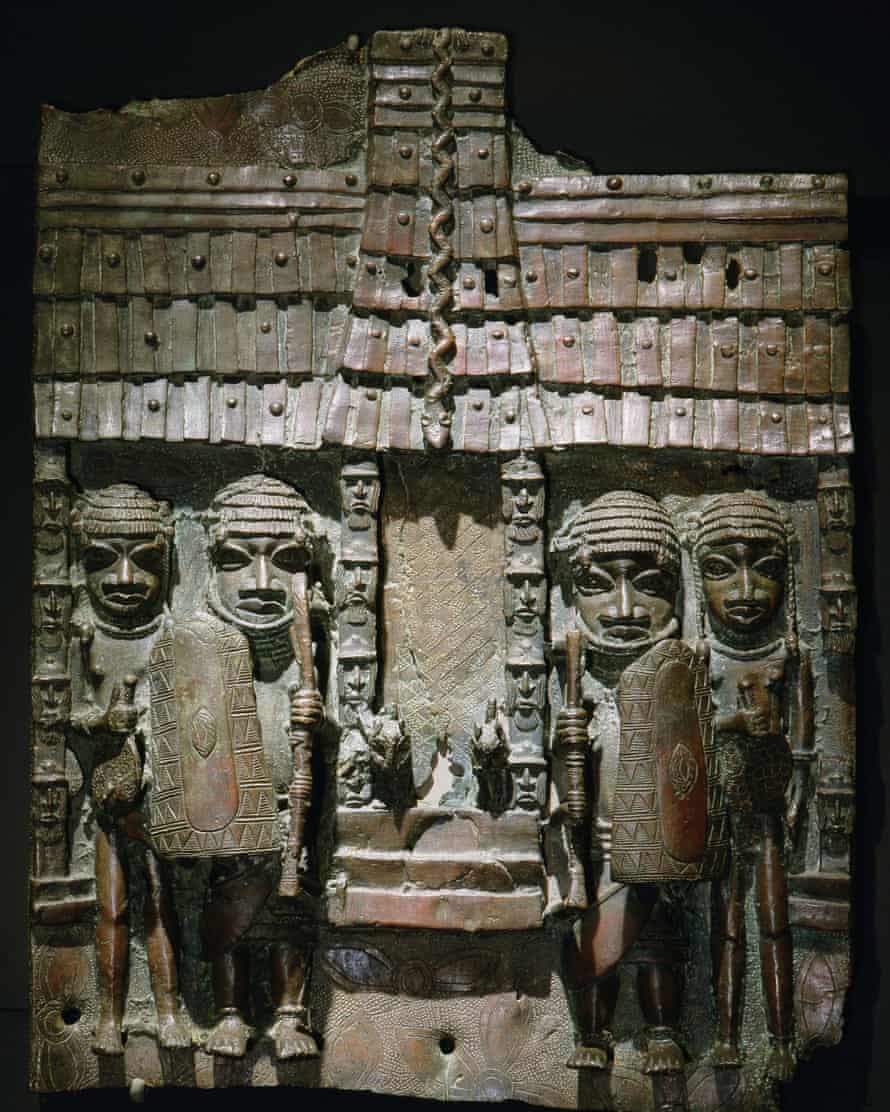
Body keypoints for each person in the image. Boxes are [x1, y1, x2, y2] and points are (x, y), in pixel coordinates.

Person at [147, 475, 324, 1059]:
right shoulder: (194, 650)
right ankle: (228, 1011)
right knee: (229, 917)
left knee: (289, 916)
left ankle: (290, 1016)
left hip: (292, 816)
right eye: (235, 559)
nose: (262, 582)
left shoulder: (312, 653)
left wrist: (317, 714)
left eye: (287, 561)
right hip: (229, 822)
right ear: (210, 565)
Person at [689, 491, 811, 1082]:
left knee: (774, 915)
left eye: (765, 569)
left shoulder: (789, 653)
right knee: (728, 920)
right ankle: (727, 1036)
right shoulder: (701, 656)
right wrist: (736, 721)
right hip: (721, 803)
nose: (745, 590)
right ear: (699, 579)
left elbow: (804, 738)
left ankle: (782, 1040)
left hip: (768, 804)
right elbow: (691, 733)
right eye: (722, 569)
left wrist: (799, 784)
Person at [69, 484, 189, 1056]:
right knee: (113, 908)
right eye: (103, 559)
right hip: (109, 799)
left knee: (162, 906)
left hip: (160, 796)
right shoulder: (81, 632)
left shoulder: (171, 634)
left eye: (144, 562)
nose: (124, 578)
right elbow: (63, 710)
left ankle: (168, 1013)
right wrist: (102, 720)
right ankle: (109, 1019)